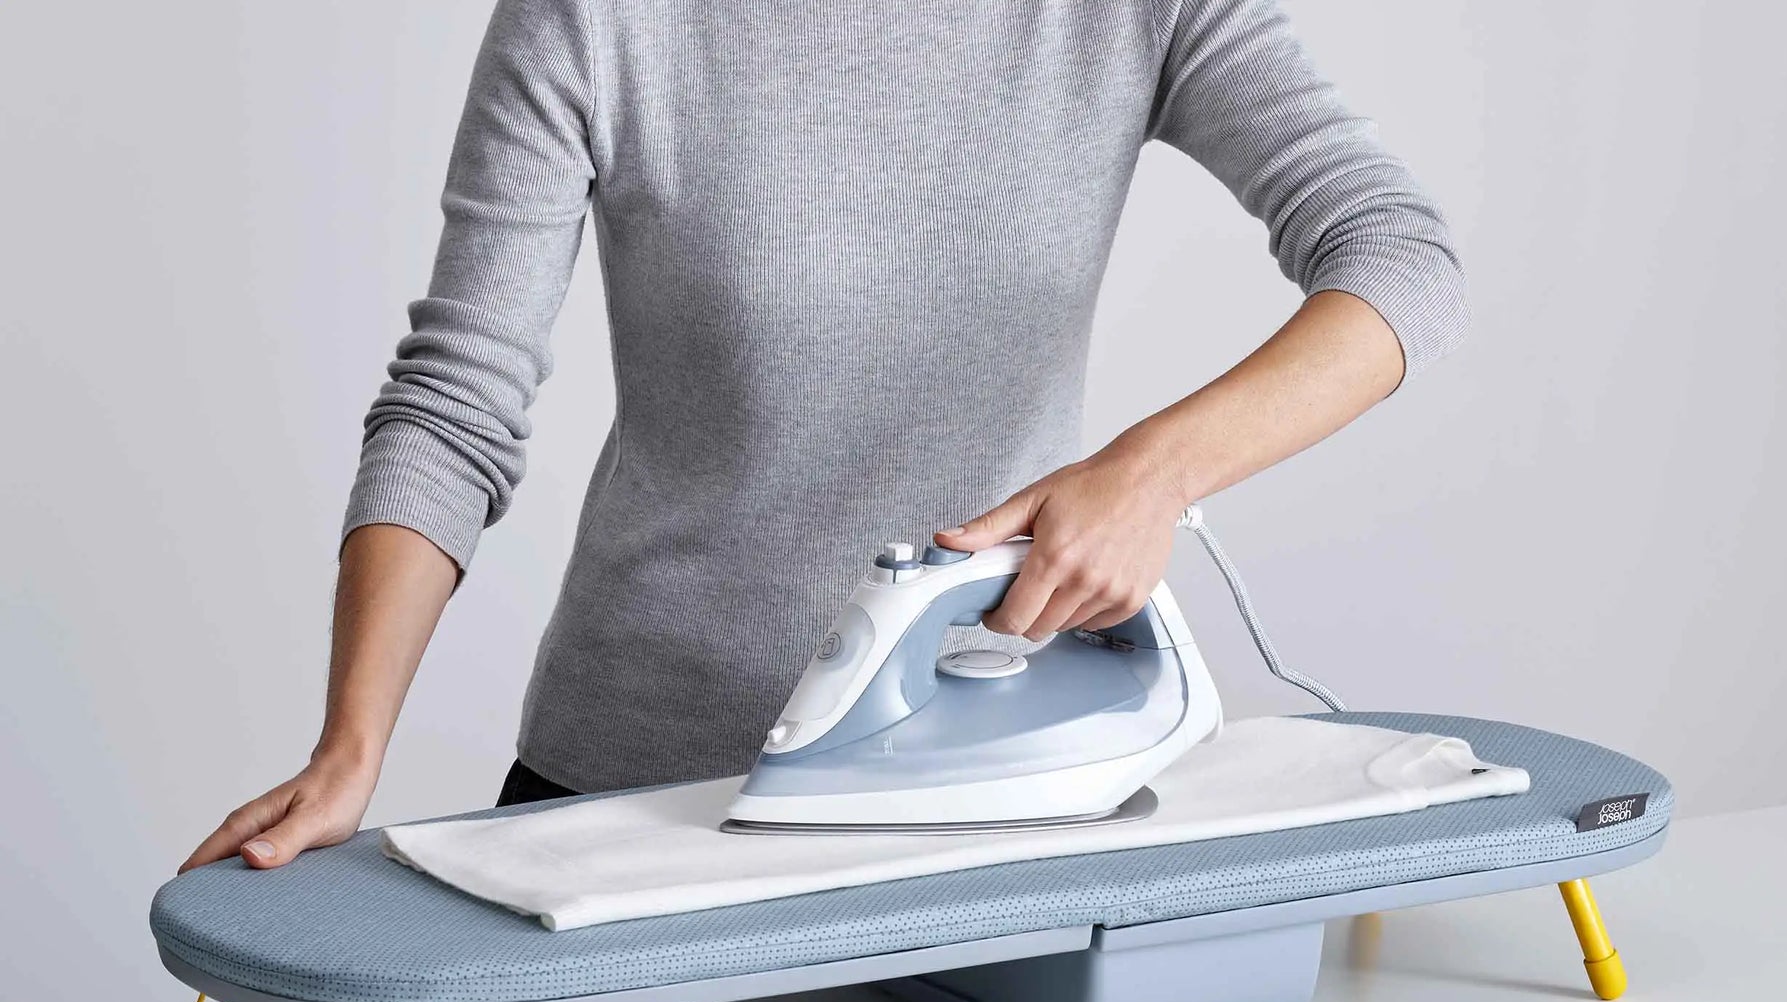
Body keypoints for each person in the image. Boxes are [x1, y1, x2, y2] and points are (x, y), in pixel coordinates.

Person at [183, 0, 1465, 872]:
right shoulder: (597, 21)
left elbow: (1397, 256)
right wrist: (352, 743)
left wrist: (1150, 472)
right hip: (635, 812)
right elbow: (456, 398)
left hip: (987, 816)